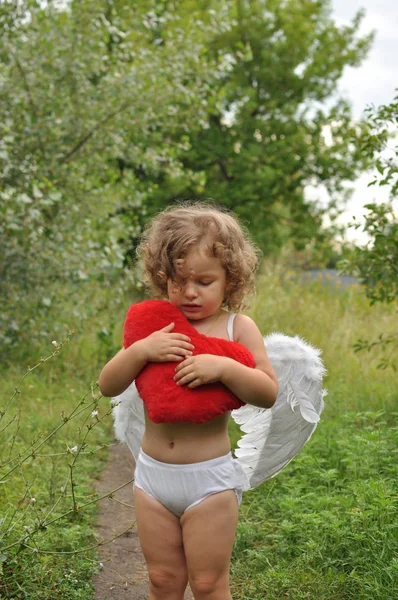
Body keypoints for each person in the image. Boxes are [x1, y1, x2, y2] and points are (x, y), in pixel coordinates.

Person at [99, 202, 279, 600]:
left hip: (209, 481)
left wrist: (224, 368)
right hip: (153, 479)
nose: (189, 292)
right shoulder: (155, 327)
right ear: (161, 275)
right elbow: (108, 385)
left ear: (230, 280)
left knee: (208, 584)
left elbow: (267, 392)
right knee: (162, 579)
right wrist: (141, 350)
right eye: (178, 280)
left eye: (204, 281)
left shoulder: (236, 328)